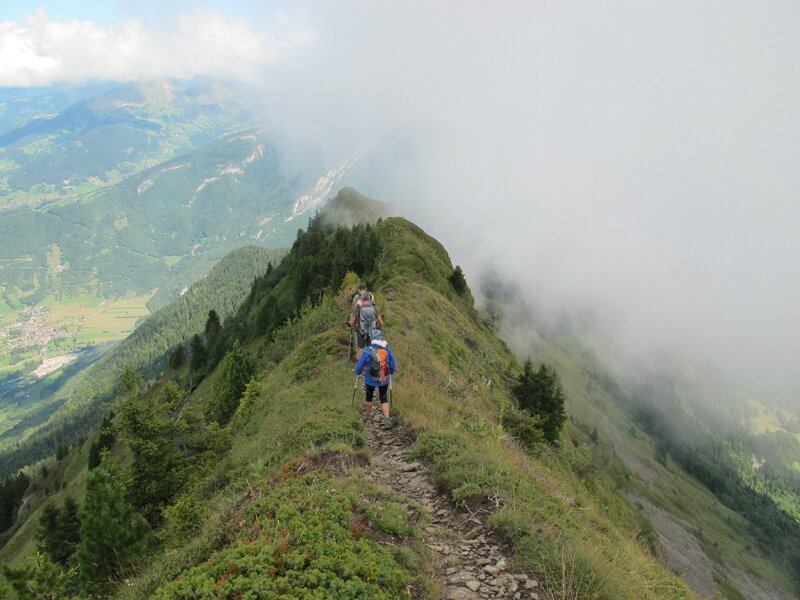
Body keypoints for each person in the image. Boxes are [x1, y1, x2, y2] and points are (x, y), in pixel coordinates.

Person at [354, 328, 396, 428]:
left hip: (370, 379)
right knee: (383, 397)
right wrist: (391, 372)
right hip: (384, 379)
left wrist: (358, 372)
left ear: (371, 338)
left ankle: (368, 416)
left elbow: (360, 366)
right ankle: (386, 418)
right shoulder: (386, 348)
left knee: (369, 396)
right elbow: (393, 363)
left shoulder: (368, 351)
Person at [348, 285, 384, 361]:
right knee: (371, 348)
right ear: (370, 299)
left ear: (361, 299)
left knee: (360, 349)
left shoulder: (358, 308)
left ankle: (360, 367)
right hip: (372, 332)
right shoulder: (374, 308)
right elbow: (381, 323)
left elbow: (351, 323)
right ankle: (371, 365)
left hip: (361, 332)